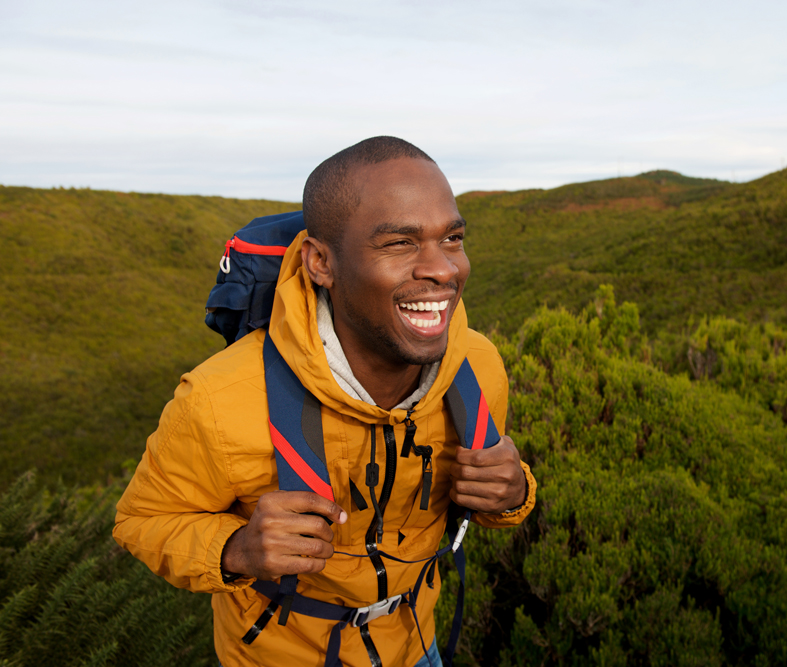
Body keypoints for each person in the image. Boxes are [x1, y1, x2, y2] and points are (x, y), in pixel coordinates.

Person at [113, 137, 537, 667]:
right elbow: (141, 520)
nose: (444, 270)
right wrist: (237, 549)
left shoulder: (478, 368)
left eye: (452, 238)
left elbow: (489, 499)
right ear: (321, 262)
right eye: (400, 243)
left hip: (415, 645)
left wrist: (514, 492)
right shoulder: (218, 400)